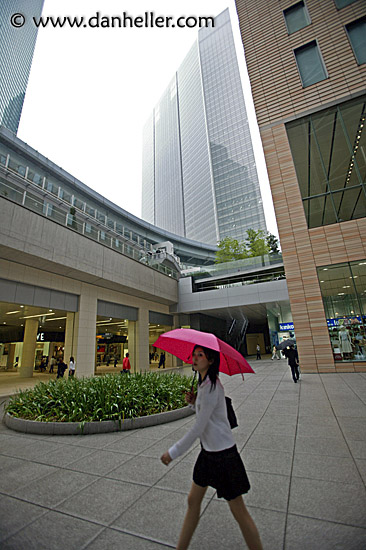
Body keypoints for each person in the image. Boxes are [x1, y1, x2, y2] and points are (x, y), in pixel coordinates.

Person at [160, 345, 263, 550]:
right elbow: (206, 414)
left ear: (211, 360)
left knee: (239, 512)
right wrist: (193, 403)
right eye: (194, 354)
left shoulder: (212, 386)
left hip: (224, 457)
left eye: (200, 355)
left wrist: (172, 453)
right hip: (208, 454)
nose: (195, 358)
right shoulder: (205, 384)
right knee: (193, 500)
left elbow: (199, 427)